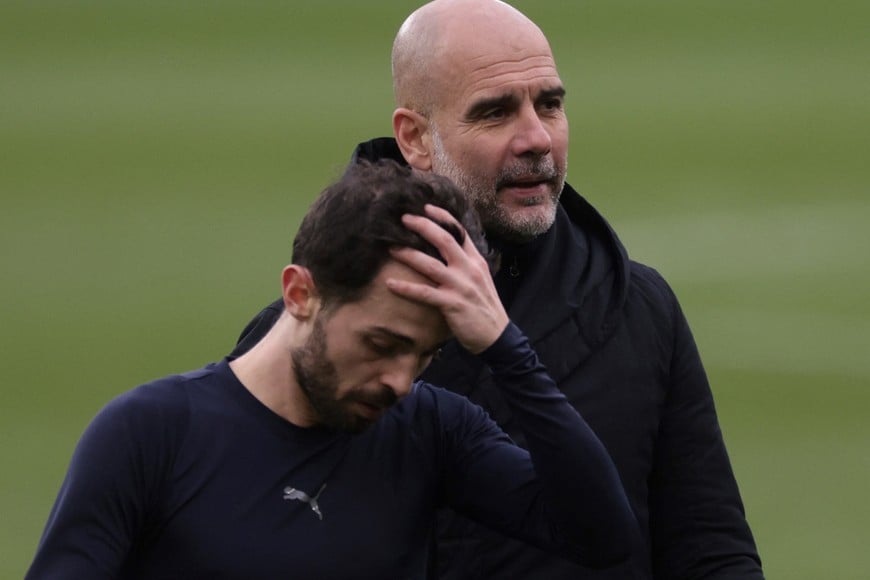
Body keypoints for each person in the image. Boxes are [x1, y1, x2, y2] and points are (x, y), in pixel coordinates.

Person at [231, 1, 765, 579]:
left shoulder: (637, 308)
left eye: (551, 105)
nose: (536, 138)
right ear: (414, 138)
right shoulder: (306, 340)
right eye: (495, 112)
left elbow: (711, 550)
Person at [25, 160, 638, 579]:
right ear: (300, 294)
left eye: (425, 356)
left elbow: (601, 535)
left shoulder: (433, 432)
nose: (400, 381)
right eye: (382, 342)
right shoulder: (149, 435)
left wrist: (506, 346)